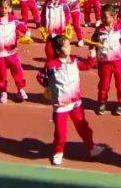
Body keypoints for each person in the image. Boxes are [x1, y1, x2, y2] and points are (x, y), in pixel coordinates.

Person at [36, 34, 106, 166]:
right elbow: (40, 76)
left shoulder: (75, 60)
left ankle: (91, 148)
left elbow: (88, 65)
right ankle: (58, 152)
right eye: (66, 46)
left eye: (69, 45)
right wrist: (49, 87)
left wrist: (91, 51)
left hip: (76, 104)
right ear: (58, 51)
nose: (69, 47)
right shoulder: (51, 65)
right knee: (61, 133)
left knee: (83, 127)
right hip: (61, 106)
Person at [0, 0, 28, 104]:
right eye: (1, 8)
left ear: (10, 8)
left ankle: (20, 89)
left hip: (12, 52)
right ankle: (3, 91)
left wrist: (27, 32)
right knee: (1, 74)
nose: (4, 10)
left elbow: (22, 26)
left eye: (6, 7)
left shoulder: (14, 20)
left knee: (17, 71)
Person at [89, 5, 121, 114]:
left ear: (114, 17)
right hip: (104, 63)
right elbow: (93, 42)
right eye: (102, 16)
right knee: (104, 84)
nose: (103, 19)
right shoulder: (99, 30)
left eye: (105, 17)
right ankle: (102, 102)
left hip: (118, 62)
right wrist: (92, 52)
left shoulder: (119, 30)